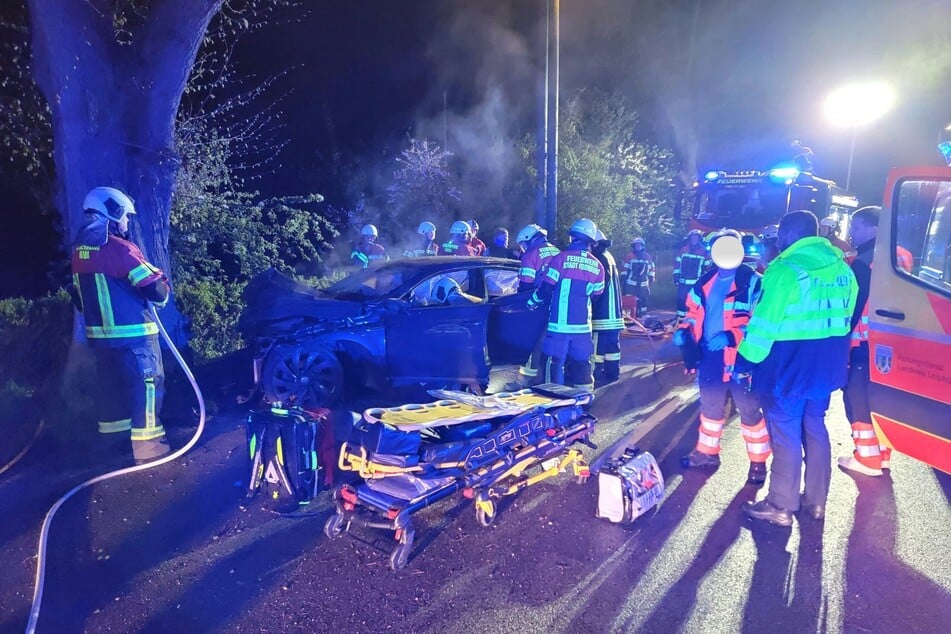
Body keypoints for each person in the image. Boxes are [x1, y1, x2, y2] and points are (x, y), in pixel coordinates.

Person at [738, 210, 857, 526]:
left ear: (791, 235)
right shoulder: (844, 271)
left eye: (781, 234)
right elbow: (848, 315)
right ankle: (816, 502)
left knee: (786, 435)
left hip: (788, 368)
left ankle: (780, 506)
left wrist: (744, 362)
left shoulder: (786, 272)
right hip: (826, 367)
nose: (777, 240)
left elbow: (764, 326)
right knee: (815, 428)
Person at [70, 187, 172, 464]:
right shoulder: (120, 249)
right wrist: (160, 276)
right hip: (135, 338)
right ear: (112, 212)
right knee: (147, 387)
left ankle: (113, 447)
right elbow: (157, 291)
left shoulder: (79, 251)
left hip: (101, 341)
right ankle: (149, 448)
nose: (127, 222)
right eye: (125, 216)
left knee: (112, 392)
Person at [676, 232, 770, 485]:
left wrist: (732, 336)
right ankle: (707, 454)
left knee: (750, 412)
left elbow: (762, 323)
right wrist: (685, 336)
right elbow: (691, 315)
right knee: (710, 409)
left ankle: (758, 463)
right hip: (711, 357)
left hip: (742, 358)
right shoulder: (704, 281)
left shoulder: (754, 283)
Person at [837, 206, 909, 476]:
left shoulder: (864, 261)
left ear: (874, 229)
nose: (852, 233)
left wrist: (840, 341)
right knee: (881, 399)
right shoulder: (901, 255)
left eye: (856, 227)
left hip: (864, 344)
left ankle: (867, 459)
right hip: (891, 342)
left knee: (858, 398)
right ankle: (882, 455)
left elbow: (852, 308)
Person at [528, 218, 605, 390]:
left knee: (553, 364)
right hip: (583, 329)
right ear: (591, 241)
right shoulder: (598, 266)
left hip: (559, 327)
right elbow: (597, 296)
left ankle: (554, 402)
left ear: (572, 238)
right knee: (581, 365)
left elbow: (546, 289)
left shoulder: (560, 259)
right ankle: (584, 401)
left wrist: (531, 302)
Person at [514, 224, 560, 386]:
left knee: (532, 341)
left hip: (537, 303)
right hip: (558, 305)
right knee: (549, 343)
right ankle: (546, 379)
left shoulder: (531, 254)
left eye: (523, 244)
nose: (523, 248)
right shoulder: (558, 252)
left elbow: (525, 285)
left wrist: (522, 302)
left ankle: (527, 381)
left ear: (530, 239)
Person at [591, 230, 624, 386]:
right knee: (612, 347)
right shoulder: (607, 255)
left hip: (603, 313)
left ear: (595, 243)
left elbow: (599, 287)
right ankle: (612, 373)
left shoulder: (600, 258)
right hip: (613, 314)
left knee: (598, 347)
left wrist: (590, 304)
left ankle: (595, 374)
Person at [673, 229, 710, 320]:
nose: (694, 239)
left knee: (694, 301)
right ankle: (680, 320)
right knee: (681, 300)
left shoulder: (704, 251)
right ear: (689, 239)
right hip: (683, 281)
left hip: (696, 282)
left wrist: (704, 280)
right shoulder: (684, 249)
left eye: (696, 238)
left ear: (699, 239)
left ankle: (693, 319)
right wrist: (676, 275)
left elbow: (707, 268)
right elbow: (677, 263)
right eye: (692, 238)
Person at [623, 237, 655, 317]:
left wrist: (651, 277)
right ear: (633, 246)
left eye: (639, 245)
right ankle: (629, 316)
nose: (638, 246)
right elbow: (624, 267)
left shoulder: (647, 256)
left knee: (643, 299)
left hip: (643, 283)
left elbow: (651, 268)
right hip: (631, 283)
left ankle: (643, 315)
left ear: (643, 246)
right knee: (630, 299)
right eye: (636, 245)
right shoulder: (629, 256)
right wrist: (623, 276)